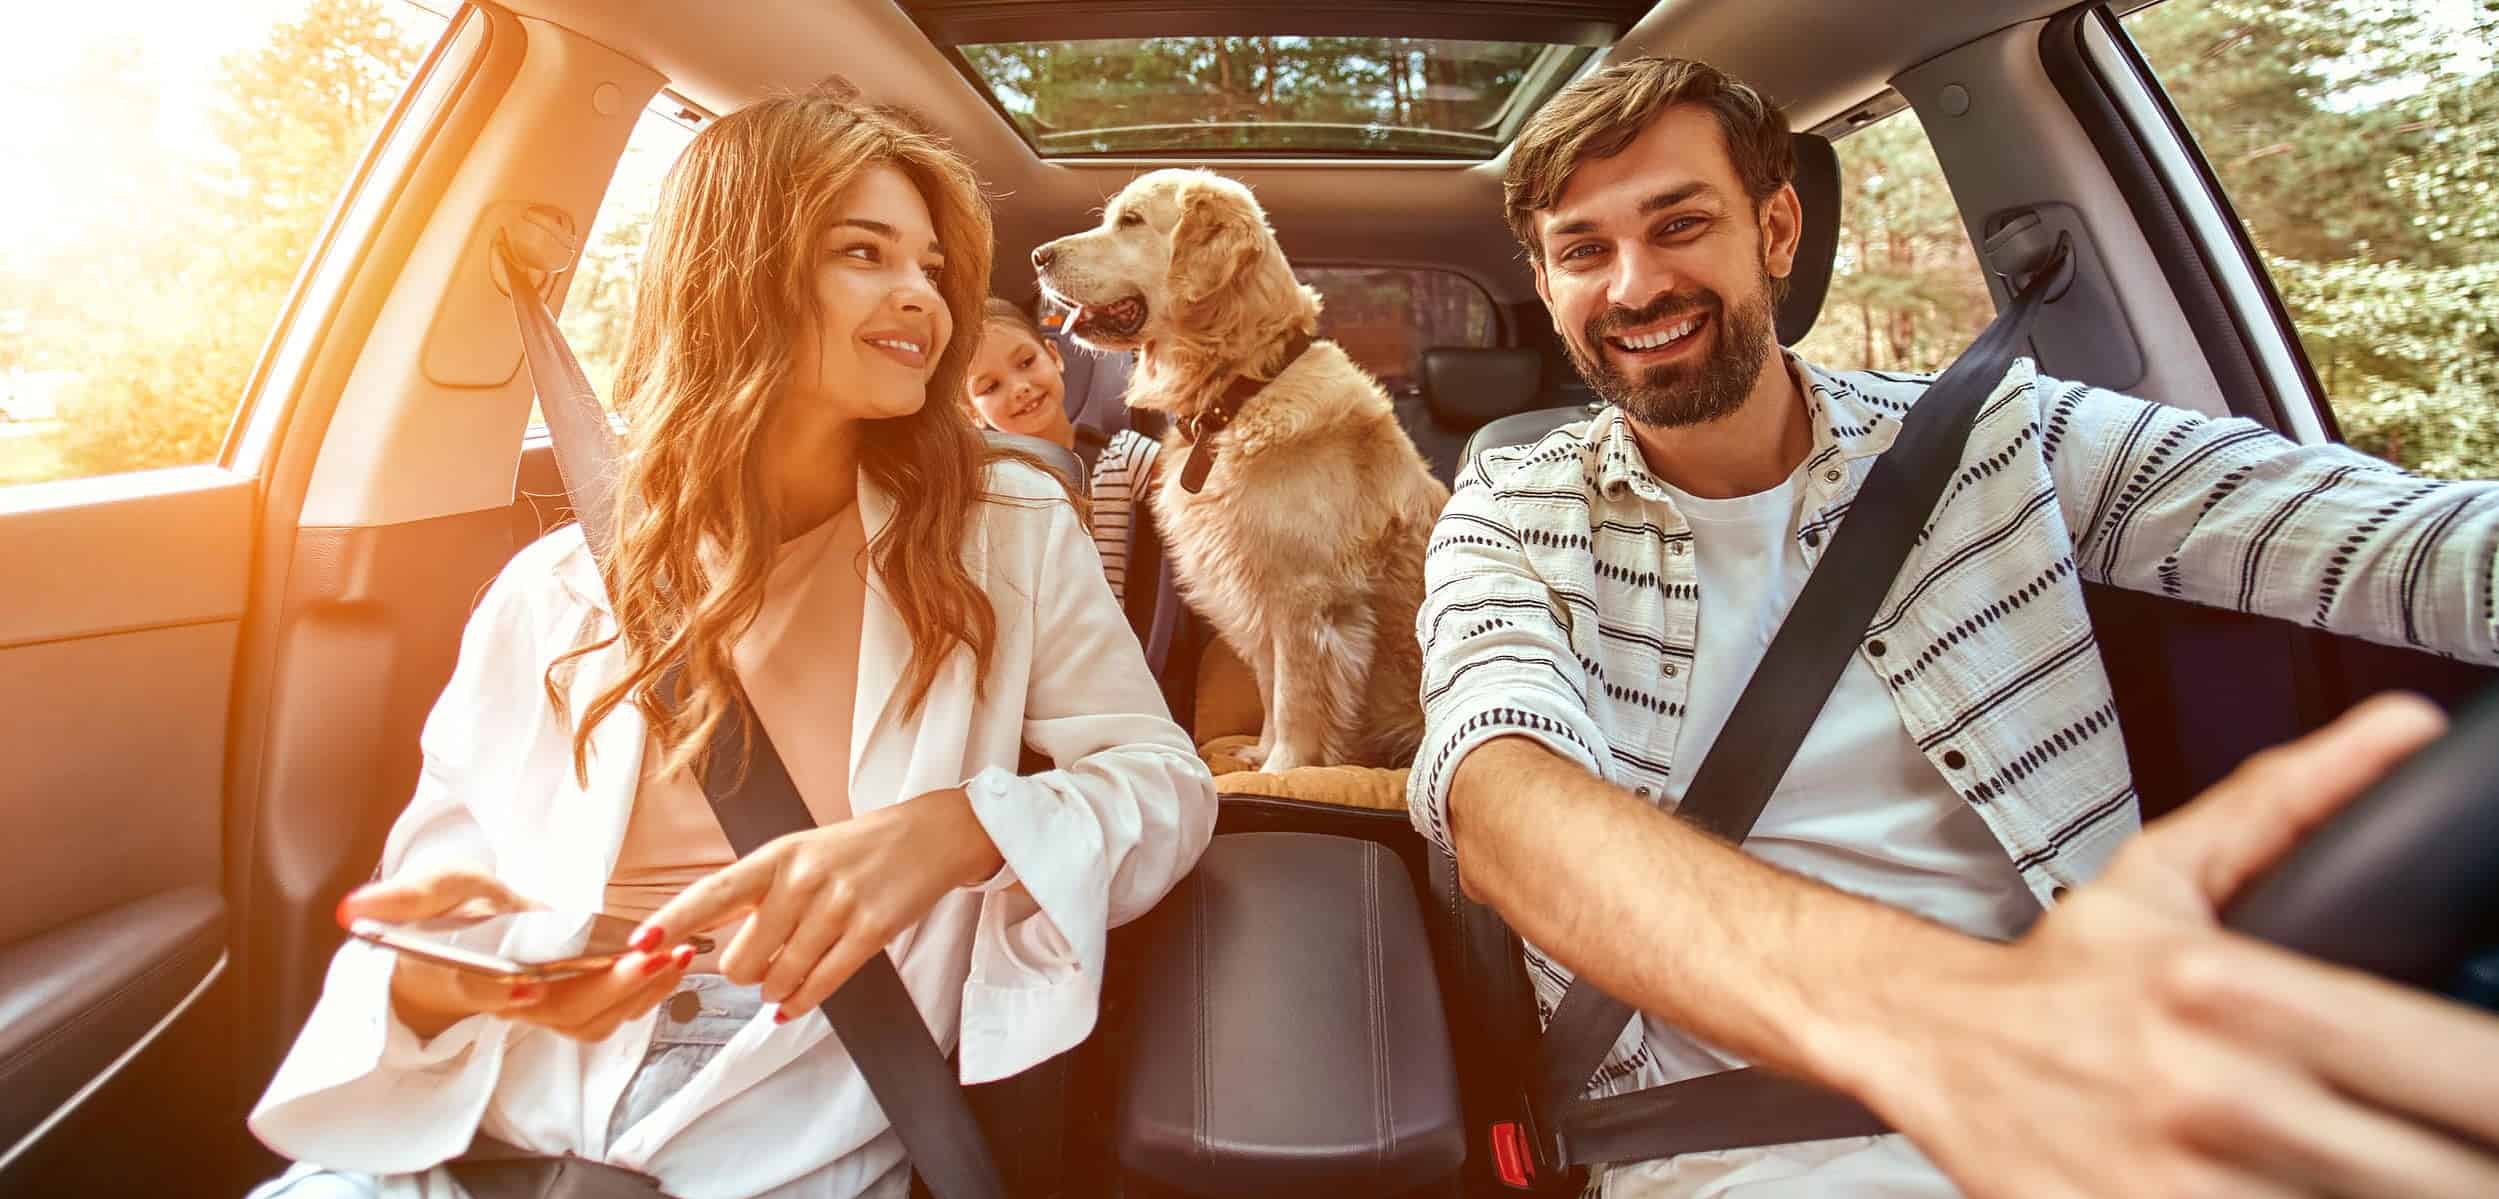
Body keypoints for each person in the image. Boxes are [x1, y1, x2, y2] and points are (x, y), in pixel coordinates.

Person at [1413, 55, 2499, 1197]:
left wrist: (2044, 1041)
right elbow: (1501, 791)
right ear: (1546, 280)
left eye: (1680, 223)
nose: (1634, 287)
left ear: (1775, 229)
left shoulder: (1996, 435)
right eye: (1584, 249)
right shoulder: (1512, 511)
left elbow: (2393, 538)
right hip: (1727, 1150)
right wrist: (1963, 1028)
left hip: (2116, 1088)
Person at [246, 91, 1216, 1198]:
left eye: (936, 268)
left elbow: (1165, 786)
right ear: (737, 269)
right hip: (487, 1125)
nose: (924, 298)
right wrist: (469, 981)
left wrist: (960, 830)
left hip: (790, 1112)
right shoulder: (553, 589)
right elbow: (437, 917)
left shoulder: (1004, 530)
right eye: (866, 252)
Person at [963, 297, 1161, 605]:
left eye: (1026, 362)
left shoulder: (1119, 456)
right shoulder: (990, 492)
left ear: (1054, 356)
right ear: (972, 414)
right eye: (990, 387)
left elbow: (1203, 484)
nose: (1019, 388)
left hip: (1107, 645)